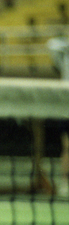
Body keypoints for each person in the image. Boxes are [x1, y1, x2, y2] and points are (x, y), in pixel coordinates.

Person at [47, 36, 69, 197]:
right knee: (67, 147)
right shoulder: (64, 51)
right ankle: (65, 182)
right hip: (66, 106)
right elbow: (52, 44)